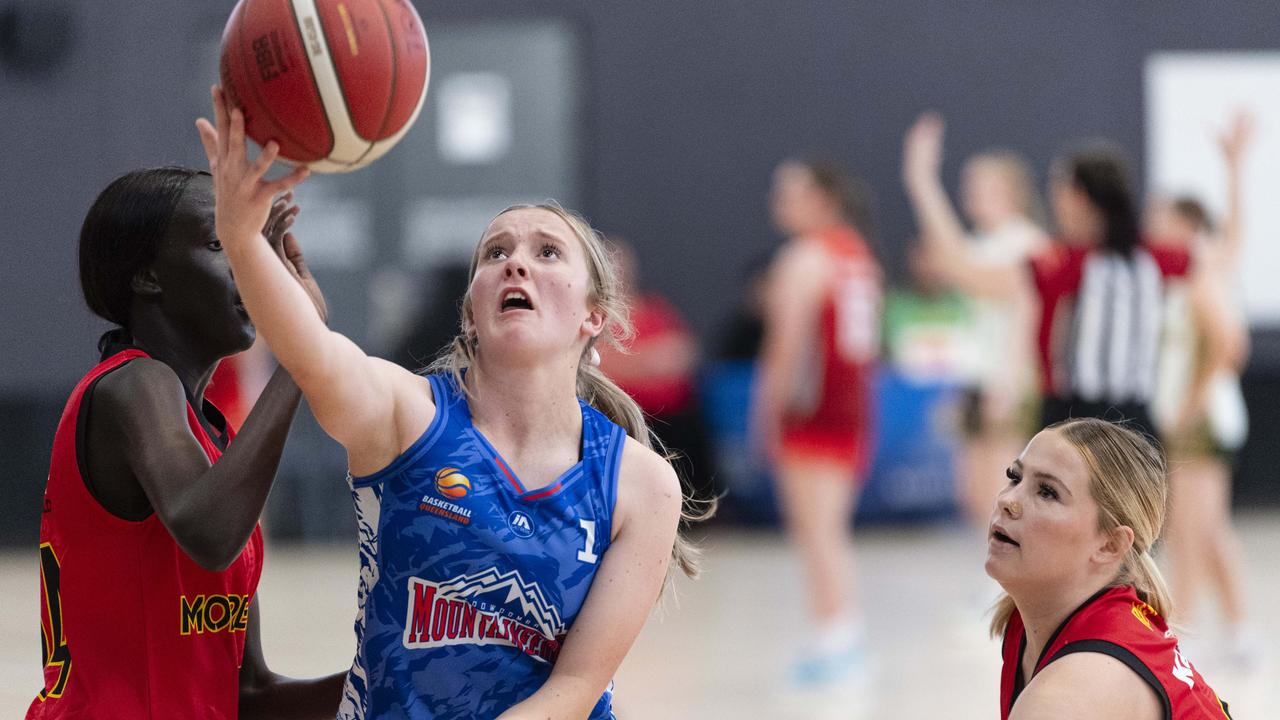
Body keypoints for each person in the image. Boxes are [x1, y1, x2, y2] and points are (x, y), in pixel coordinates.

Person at [197, 86, 700, 719]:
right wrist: (242, 239)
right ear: (470, 313)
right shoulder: (407, 417)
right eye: (497, 252)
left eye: (547, 252)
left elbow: (573, 691)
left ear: (593, 317)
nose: (517, 263)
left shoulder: (639, 482)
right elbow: (315, 355)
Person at [29, 166, 342, 719]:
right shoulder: (132, 385)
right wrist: (304, 349)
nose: (248, 265)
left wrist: (395, 676)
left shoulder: (214, 441)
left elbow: (250, 696)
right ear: (149, 276)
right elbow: (209, 530)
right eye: (222, 243)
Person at [904, 113, 1190, 438]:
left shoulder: (1062, 263)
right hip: (1138, 422)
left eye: (1058, 188)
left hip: (1074, 421)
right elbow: (1216, 261)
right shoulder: (1154, 259)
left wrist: (921, 182)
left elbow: (967, 273)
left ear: (1077, 198)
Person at [987, 417, 1232, 719]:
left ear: (1110, 545)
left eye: (1047, 492)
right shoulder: (1032, 618)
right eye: (1014, 477)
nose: (1008, 500)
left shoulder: (1068, 695)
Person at [751, 158, 882, 688]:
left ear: (823, 199)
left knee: (816, 531)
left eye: (792, 192)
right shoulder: (858, 255)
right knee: (828, 530)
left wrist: (765, 415)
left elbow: (785, 348)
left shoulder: (804, 257)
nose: (780, 201)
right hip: (851, 410)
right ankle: (838, 631)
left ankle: (838, 636)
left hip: (810, 415)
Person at [1147, 113, 1257, 665]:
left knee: (1193, 533)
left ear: (1186, 226)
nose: (1150, 224)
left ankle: (1178, 639)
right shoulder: (1172, 276)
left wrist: (1188, 407)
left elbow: (1230, 346)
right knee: (1206, 533)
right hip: (1184, 418)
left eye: (1160, 217)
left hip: (1202, 420)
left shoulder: (1202, 270)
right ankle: (1238, 631)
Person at [902, 141, 1047, 549]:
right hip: (981, 378)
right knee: (975, 496)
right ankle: (991, 590)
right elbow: (954, 260)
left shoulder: (1026, 244)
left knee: (1006, 496)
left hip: (1009, 383)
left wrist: (922, 183)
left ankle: (1012, 594)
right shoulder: (987, 241)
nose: (971, 195)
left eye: (982, 187)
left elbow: (967, 272)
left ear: (1012, 193)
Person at [596, 237, 716, 502]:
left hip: (673, 415)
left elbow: (684, 352)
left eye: (622, 265)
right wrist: (649, 361)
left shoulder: (654, 309)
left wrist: (650, 361)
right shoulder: (595, 316)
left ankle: (694, 503)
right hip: (621, 414)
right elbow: (598, 364)